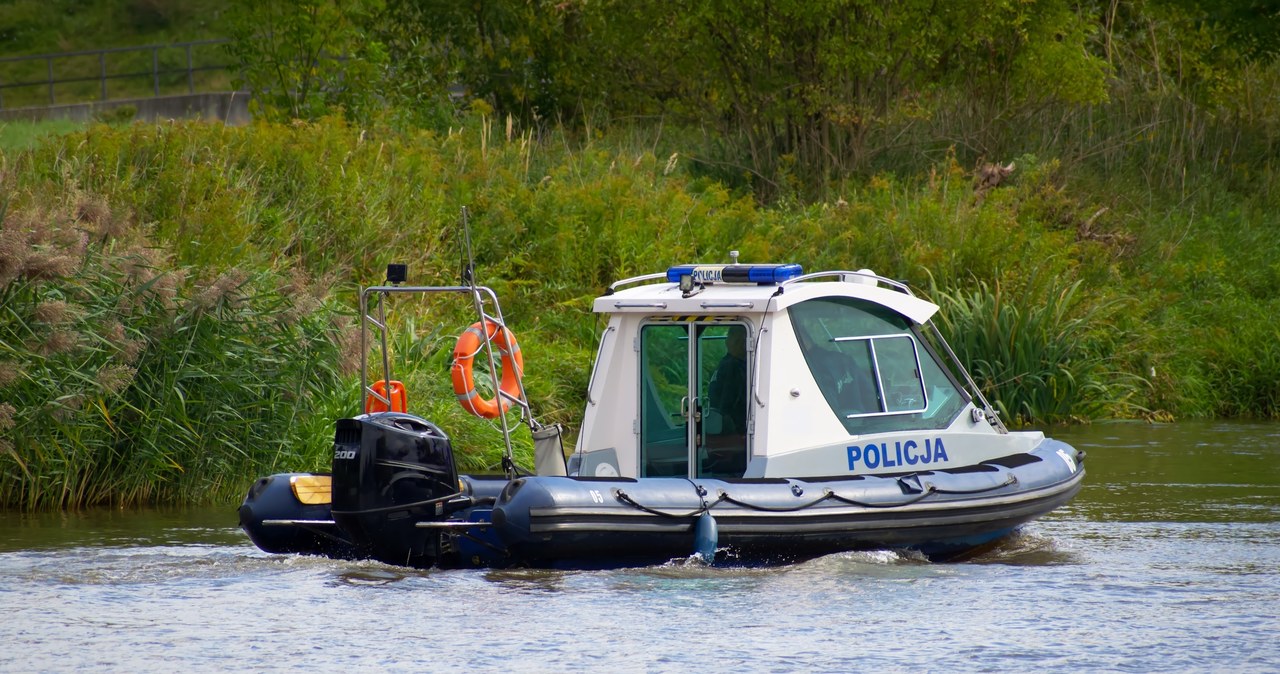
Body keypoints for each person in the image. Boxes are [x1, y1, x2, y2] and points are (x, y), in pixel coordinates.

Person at [708, 326, 748, 434]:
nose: (742, 345)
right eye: (738, 341)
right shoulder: (731, 366)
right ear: (728, 342)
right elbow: (727, 396)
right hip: (732, 422)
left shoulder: (731, 363)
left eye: (744, 341)